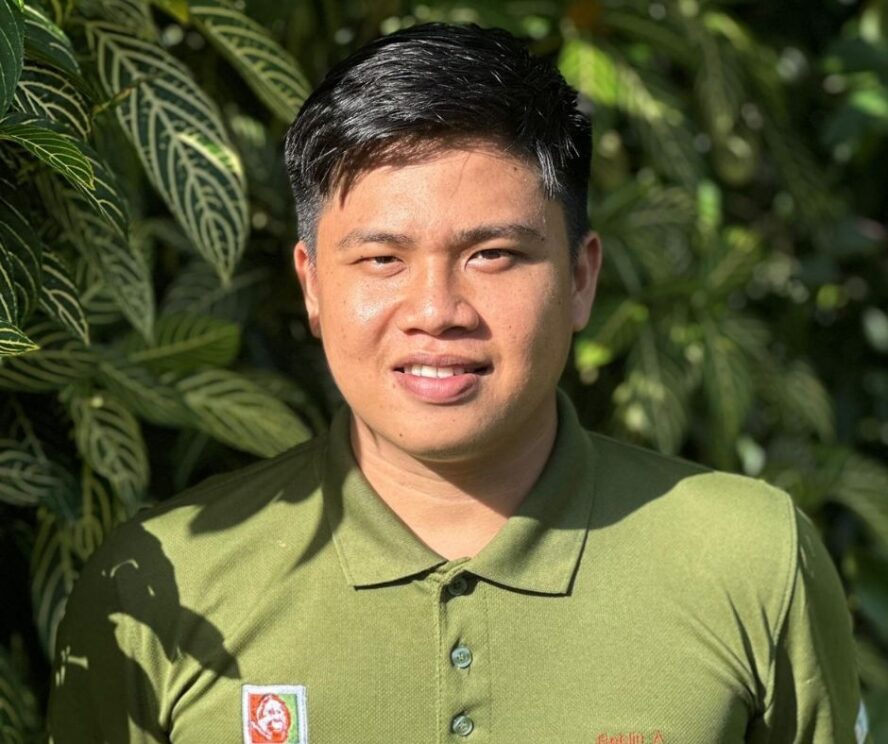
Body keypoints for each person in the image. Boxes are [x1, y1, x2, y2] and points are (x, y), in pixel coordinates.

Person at [48, 22, 869, 744]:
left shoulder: (748, 558)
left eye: (493, 255)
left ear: (581, 279)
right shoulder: (166, 581)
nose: (436, 311)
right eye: (382, 259)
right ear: (311, 284)